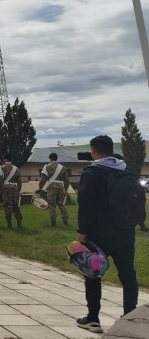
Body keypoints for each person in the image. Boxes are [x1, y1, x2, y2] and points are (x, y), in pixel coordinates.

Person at [75, 135, 138, 333]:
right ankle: (129, 317)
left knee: (93, 274)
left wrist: (83, 232)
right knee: (128, 274)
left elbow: (86, 205)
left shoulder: (92, 172)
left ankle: (93, 318)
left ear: (93, 150)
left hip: (98, 233)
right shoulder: (126, 170)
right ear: (111, 150)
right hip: (125, 230)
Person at [38, 152, 70, 227]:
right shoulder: (62, 167)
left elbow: (43, 179)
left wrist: (40, 188)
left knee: (52, 205)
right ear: (56, 158)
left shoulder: (47, 166)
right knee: (62, 205)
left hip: (52, 186)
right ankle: (66, 223)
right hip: (61, 186)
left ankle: (53, 223)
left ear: (50, 159)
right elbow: (67, 180)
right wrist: (66, 189)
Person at [0, 153, 23, 229]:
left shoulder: (1, 168)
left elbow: (0, 181)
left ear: (4, 159)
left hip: (6, 188)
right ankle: (19, 224)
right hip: (15, 187)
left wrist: (0, 190)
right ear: (11, 159)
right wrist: (18, 190)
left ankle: (9, 225)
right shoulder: (16, 168)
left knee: (7, 205)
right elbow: (19, 181)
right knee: (16, 206)